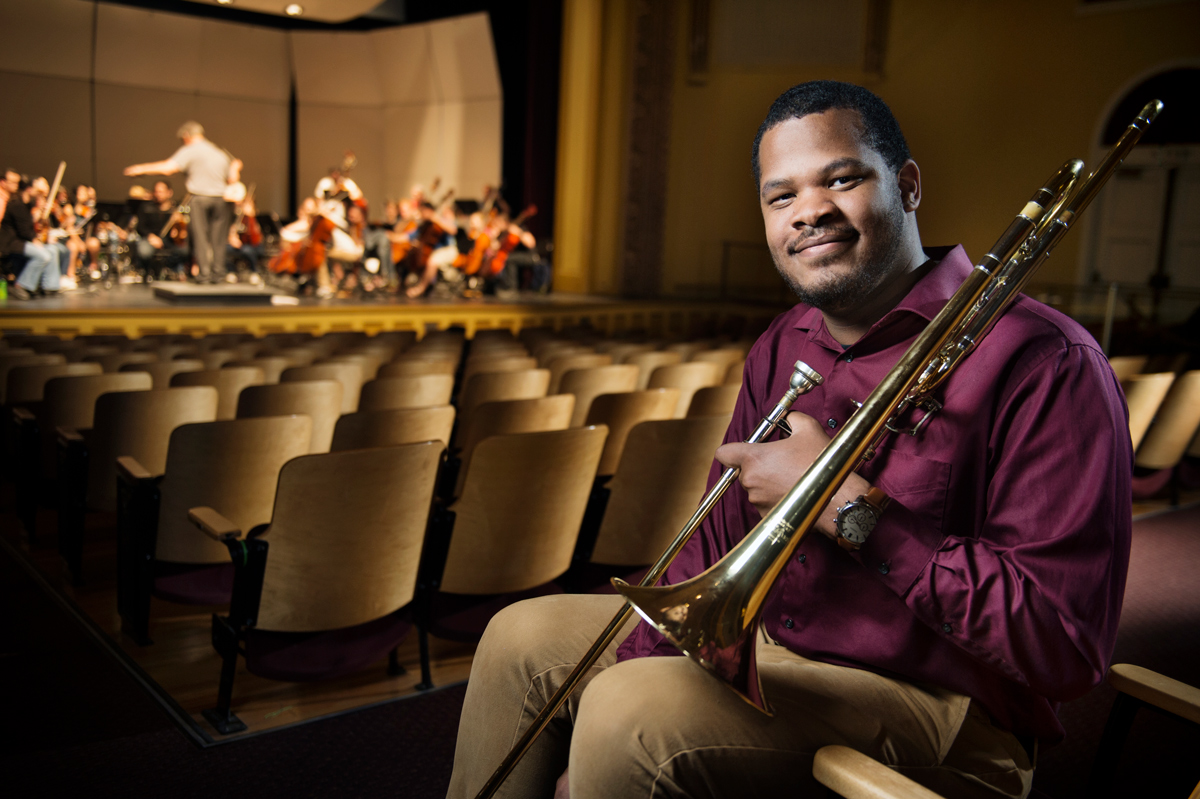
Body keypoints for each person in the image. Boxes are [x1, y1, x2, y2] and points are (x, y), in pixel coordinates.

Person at [445, 81, 1133, 799]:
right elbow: (715, 548)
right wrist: (636, 667)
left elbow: (1065, 646)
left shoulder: (1047, 360)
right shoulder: (784, 342)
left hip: (945, 704)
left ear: (907, 185)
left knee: (629, 715)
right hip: (775, 642)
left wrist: (847, 508)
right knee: (520, 638)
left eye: (841, 178)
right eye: (782, 196)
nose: (809, 211)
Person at [124, 121, 234, 283]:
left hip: (200, 197)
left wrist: (140, 169)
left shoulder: (191, 150)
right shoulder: (219, 153)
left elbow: (169, 168)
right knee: (218, 239)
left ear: (186, 136)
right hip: (222, 200)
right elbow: (232, 179)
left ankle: (204, 275)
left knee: (201, 237)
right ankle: (218, 274)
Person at [2, 170, 66, 299]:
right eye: (37, 193)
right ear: (29, 190)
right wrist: (35, 240)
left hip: (23, 241)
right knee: (43, 255)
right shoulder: (16, 205)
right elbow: (24, 231)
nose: (40, 197)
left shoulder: (27, 205)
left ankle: (50, 286)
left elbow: (30, 226)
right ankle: (21, 285)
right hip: (12, 243)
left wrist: (40, 215)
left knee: (53, 250)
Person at [131, 180, 189, 280]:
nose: (158, 194)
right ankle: (149, 271)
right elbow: (140, 227)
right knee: (144, 251)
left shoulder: (175, 209)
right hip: (150, 239)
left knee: (185, 251)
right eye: (156, 191)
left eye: (161, 191)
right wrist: (151, 236)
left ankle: (168, 269)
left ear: (169, 193)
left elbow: (181, 232)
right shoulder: (146, 207)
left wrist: (178, 223)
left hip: (168, 240)